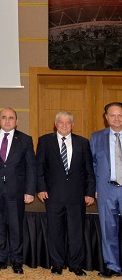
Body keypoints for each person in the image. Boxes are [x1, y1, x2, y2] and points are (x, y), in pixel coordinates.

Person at [37, 111, 95, 277]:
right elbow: (39, 167)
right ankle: (57, 263)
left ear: (72, 125)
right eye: (61, 122)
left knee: (76, 232)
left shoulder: (83, 142)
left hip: (77, 196)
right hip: (53, 195)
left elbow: (89, 170)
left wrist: (90, 192)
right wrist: (41, 188)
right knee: (55, 231)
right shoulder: (45, 141)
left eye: (67, 122)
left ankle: (75, 265)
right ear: (55, 124)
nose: (64, 125)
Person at [0, 108, 36, 275]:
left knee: (16, 227)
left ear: (17, 121)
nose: (7, 121)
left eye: (11, 118)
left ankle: (16, 260)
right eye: (4, 117)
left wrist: (30, 191)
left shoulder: (25, 140)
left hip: (16, 191)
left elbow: (31, 167)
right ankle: (0, 259)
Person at [91, 102, 122, 278]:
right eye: (112, 115)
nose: (116, 118)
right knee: (108, 230)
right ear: (106, 117)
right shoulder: (96, 138)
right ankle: (112, 266)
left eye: (120, 115)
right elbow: (93, 165)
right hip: (106, 190)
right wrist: (94, 188)